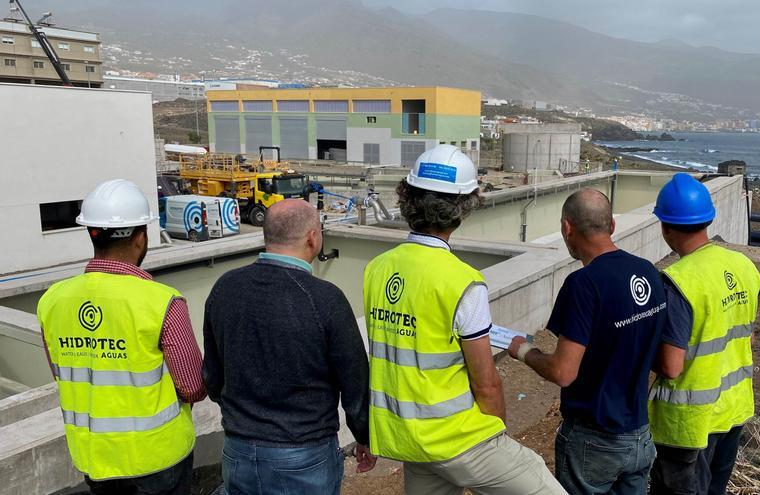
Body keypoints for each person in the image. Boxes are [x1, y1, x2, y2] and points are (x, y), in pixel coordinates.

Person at [364, 144, 565, 495]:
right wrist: (495, 435)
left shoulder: (377, 269)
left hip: (408, 439)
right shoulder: (462, 281)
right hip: (457, 439)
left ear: (408, 199)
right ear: (463, 209)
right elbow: (486, 383)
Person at [37, 179, 206, 494]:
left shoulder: (53, 300)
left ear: (91, 233)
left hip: (94, 459)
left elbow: (65, 374)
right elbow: (193, 387)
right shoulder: (163, 302)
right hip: (159, 459)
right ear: (141, 238)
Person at [202, 199, 376, 495]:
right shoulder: (326, 299)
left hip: (238, 451)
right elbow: (355, 385)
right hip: (304, 456)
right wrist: (364, 437)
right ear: (313, 238)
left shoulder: (225, 288)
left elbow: (212, 376)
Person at [508, 189, 667, 494]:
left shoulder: (583, 284)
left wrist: (523, 351)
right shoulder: (647, 271)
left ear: (567, 228)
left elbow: (563, 372)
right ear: (612, 226)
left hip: (594, 440)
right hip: (639, 435)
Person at [649, 173, 760, 495]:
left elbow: (671, 366)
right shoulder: (742, 265)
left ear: (665, 227)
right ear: (707, 219)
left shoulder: (679, 281)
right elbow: (747, 335)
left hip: (688, 422)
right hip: (733, 408)